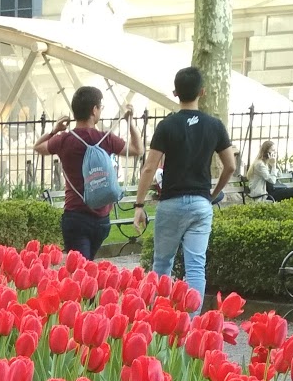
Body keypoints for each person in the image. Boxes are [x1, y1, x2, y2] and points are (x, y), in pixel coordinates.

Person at [133, 66, 236, 310]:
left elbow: (149, 167)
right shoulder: (215, 125)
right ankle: (191, 324)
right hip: (201, 204)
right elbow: (230, 166)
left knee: (162, 264)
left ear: (175, 92)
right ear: (203, 92)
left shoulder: (166, 126)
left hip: (171, 203)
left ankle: (158, 318)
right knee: (196, 267)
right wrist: (211, 194)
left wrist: (139, 205)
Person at [33, 87, 141, 260]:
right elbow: (138, 149)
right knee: (86, 269)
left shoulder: (64, 140)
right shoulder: (106, 139)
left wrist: (54, 130)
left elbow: (38, 147)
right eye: (100, 107)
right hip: (102, 218)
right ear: (94, 110)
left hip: (75, 215)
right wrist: (131, 123)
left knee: (80, 271)